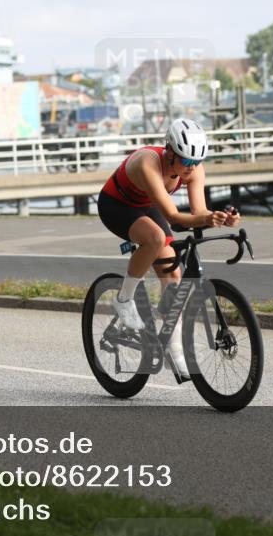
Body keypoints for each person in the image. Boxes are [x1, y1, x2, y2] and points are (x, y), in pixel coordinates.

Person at [97, 118, 240, 381]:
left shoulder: (195, 169)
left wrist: (221, 218)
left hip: (148, 204)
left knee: (174, 275)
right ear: (170, 152)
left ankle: (174, 351)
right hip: (116, 204)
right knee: (153, 237)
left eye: (196, 162)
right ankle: (124, 299)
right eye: (186, 161)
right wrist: (206, 219)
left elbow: (199, 213)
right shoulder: (148, 162)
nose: (191, 168)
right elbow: (174, 217)